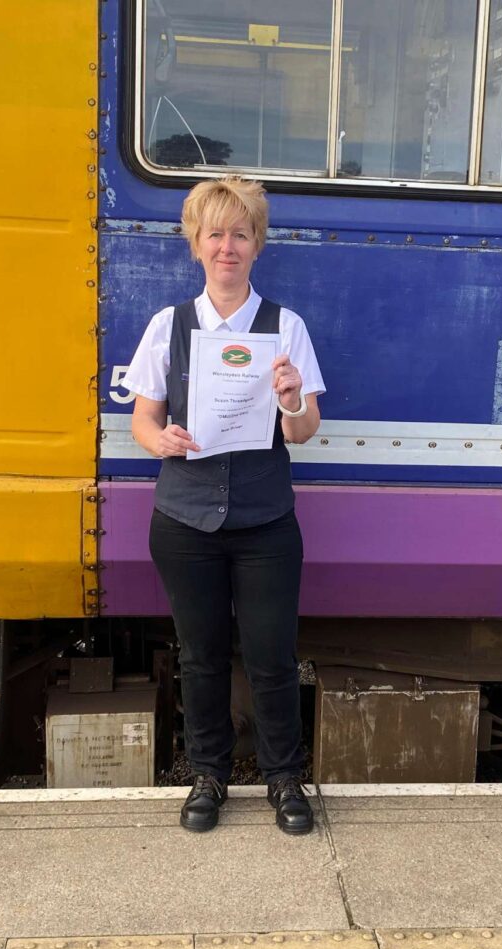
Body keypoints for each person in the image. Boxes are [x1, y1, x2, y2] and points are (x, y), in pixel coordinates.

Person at [123, 177, 325, 835]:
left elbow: (301, 431)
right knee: (199, 656)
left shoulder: (284, 326)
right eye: (216, 234)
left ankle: (284, 779)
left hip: (266, 522)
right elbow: (143, 420)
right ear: (197, 245)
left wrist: (292, 397)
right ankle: (207, 776)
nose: (227, 246)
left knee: (271, 655)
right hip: (185, 522)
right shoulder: (168, 326)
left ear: (257, 245)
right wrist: (165, 440)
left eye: (241, 234)